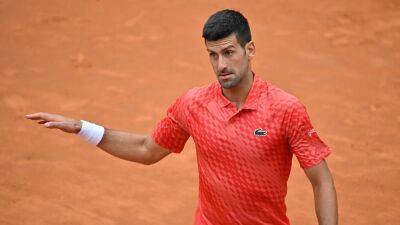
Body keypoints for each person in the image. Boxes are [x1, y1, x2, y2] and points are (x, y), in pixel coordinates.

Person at [26, 9, 338, 225]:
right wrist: (83, 128)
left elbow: (321, 181)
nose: (221, 65)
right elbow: (146, 150)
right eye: (213, 55)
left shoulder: (286, 109)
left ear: (250, 49)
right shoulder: (194, 104)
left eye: (229, 52)